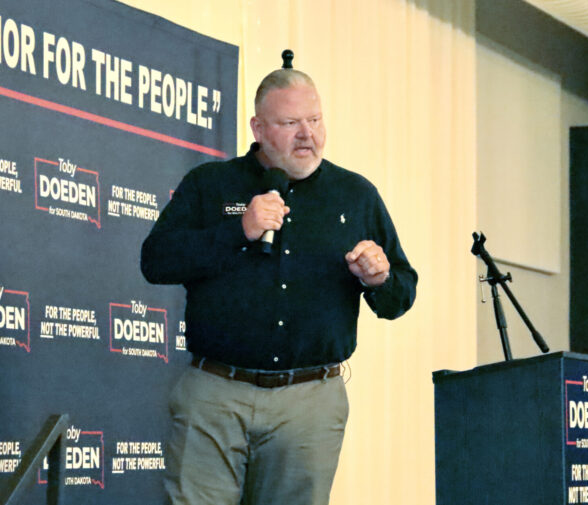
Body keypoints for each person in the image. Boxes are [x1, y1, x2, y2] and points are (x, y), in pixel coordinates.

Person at [141, 66, 417, 505]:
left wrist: (380, 279)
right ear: (258, 128)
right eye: (290, 123)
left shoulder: (355, 195)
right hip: (215, 395)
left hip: (309, 402)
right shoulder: (210, 184)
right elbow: (155, 261)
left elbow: (401, 293)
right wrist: (238, 231)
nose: (307, 135)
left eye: (315, 120)